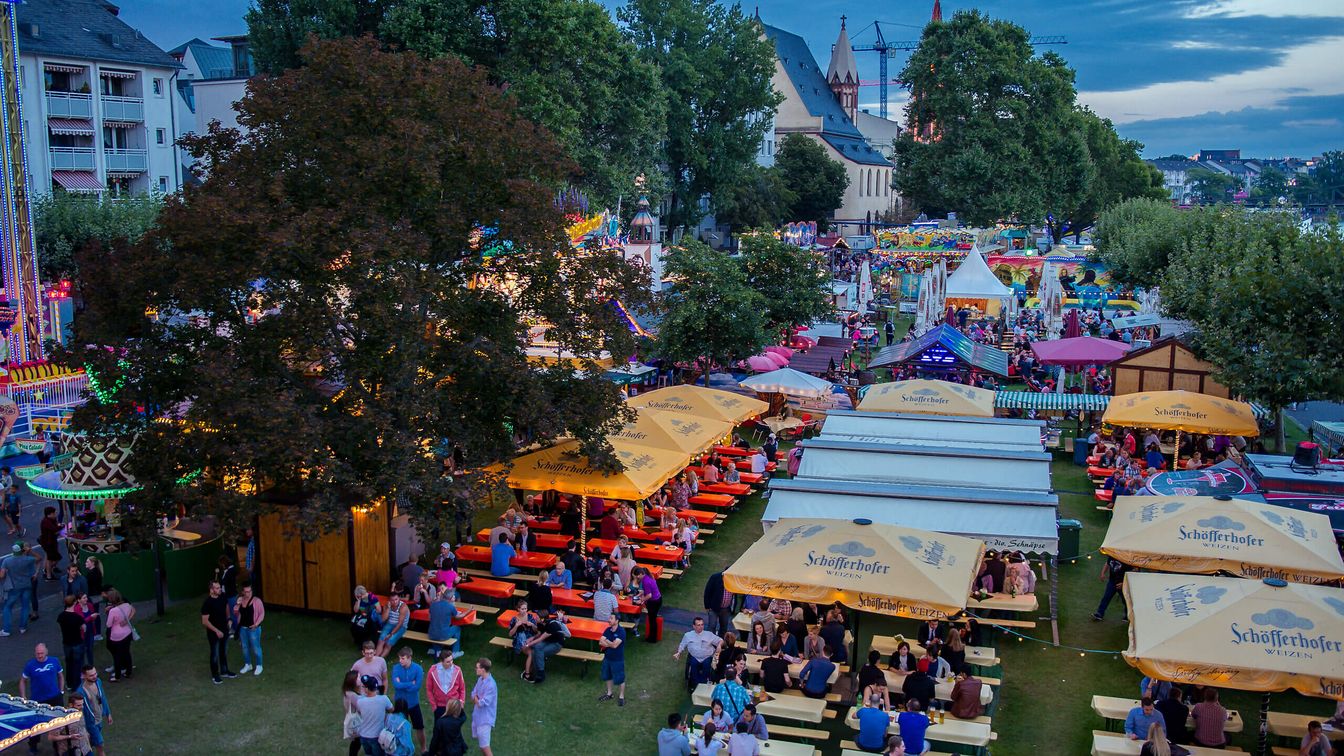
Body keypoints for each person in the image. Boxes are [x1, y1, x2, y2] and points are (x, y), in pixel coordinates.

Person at [20, 643, 64, 751]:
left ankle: (57, 745)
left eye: (42, 653)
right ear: (35, 653)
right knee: (37, 725)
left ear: (46, 652)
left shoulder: (54, 661)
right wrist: (23, 697)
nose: (39, 655)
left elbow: (60, 676)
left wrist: (61, 691)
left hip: (55, 697)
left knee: (58, 722)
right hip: (38, 699)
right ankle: (33, 745)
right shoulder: (30, 665)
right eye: (38, 653)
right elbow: (22, 681)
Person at [390, 648, 426, 754]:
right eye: (399, 658)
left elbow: (417, 687)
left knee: (419, 727)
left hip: (413, 703)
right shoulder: (396, 668)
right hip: (400, 704)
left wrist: (403, 685)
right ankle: (400, 748)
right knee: (399, 727)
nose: (400, 660)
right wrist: (411, 683)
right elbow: (396, 685)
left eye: (402, 658)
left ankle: (423, 747)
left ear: (409, 658)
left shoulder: (418, 669)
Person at [200, 579, 235, 684]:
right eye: (217, 588)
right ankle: (215, 675)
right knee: (214, 653)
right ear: (211, 590)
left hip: (224, 629)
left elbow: (227, 607)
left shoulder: (223, 596)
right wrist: (216, 631)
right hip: (213, 633)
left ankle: (224, 671)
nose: (220, 589)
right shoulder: (207, 603)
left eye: (220, 587)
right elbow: (204, 621)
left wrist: (229, 619)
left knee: (223, 651)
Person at [520, 609, 568, 684]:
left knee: (538, 652)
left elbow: (541, 639)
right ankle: (534, 671)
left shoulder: (552, 625)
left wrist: (527, 645)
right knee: (536, 648)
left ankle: (540, 674)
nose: (535, 618)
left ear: (542, 619)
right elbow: (539, 633)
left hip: (557, 643)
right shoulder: (540, 623)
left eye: (537, 617)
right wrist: (532, 638)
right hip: (547, 640)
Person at [0, 541, 37, 636]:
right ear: (22, 549)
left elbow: (2, 575)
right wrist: (31, 551)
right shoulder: (27, 559)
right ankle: (23, 627)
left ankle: (6, 630)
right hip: (27, 585)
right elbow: (39, 558)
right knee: (25, 606)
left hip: (14, 587)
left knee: (7, 607)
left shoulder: (7, 561)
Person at [674, 616, 721, 688]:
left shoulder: (709, 634)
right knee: (693, 664)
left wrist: (719, 645)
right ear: (694, 626)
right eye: (698, 625)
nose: (701, 627)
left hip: (707, 657)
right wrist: (679, 652)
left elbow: (720, 640)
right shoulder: (688, 635)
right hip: (695, 657)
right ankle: (695, 684)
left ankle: (703, 683)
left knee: (707, 665)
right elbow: (682, 645)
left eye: (702, 624)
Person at [354, 675, 394, 756]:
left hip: (363, 736)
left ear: (367, 689)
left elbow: (359, 713)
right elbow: (392, 710)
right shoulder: (384, 699)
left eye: (363, 686)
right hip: (377, 737)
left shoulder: (360, 701)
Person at [231, 582, 265, 676]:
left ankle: (259, 665)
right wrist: (237, 605)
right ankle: (248, 664)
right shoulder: (241, 601)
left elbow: (262, 613)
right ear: (243, 592)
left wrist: (256, 624)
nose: (248, 593)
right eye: (246, 592)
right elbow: (236, 613)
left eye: (250, 591)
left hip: (254, 628)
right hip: (243, 628)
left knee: (256, 647)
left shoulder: (257, 601)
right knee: (245, 647)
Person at [77, 665, 111, 756]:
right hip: (91, 724)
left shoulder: (98, 682)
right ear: (84, 676)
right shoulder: (81, 692)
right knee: (100, 745)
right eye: (91, 675)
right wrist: (85, 729)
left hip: (99, 720)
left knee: (91, 744)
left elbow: (103, 697)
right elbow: (81, 712)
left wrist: (108, 713)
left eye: (95, 673)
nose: (94, 676)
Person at [425, 649, 466, 720]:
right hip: (439, 706)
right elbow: (429, 689)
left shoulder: (457, 670)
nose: (451, 663)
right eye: (448, 662)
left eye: (452, 660)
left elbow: (462, 688)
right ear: (441, 662)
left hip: (454, 706)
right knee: (439, 729)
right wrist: (434, 706)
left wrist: (461, 703)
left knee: (453, 729)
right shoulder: (432, 670)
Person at [467, 657, 496, 755]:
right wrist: (477, 698)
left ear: (483, 670)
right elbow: (472, 694)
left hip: (485, 720)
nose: (476, 669)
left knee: (485, 747)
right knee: (482, 746)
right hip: (478, 716)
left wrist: (476, 698)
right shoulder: (480, 679)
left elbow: (481, 703)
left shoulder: (491, 685)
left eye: (477, 667)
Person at [104, 588, 134, 681]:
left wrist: (108, 612)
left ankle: (117, 676)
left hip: (117, 636)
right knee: (126, 652)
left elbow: (108, 624)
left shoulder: (113, 611)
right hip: (127, 632)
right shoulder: (127, 605)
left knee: (117, 656)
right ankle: (128, 672)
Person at [598, 612, 627, 705]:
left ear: (617, 620)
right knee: (607, 676)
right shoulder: (608, 630)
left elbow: (615, 646)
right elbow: (600, 642)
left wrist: (606, 641)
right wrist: (610, 643)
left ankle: (621, 697)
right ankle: (609, 693)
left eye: (611, 618)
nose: (609, 620)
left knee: (620, 679)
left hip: (617, 659)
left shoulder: (621, 631)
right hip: (607, 657)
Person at [428, 588, 466, 656]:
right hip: (443, 635)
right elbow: (458, 617)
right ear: (451, 598)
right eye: (453, 596)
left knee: (435, 627)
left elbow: (429, 618)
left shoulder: (433, 604)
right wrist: (468, 611)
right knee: (457, 628)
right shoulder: (450, 607)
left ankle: (437, 650)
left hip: (431, 634)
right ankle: (455, 652)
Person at [1093, 554, 1130, 621]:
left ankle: (1128, 616)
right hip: (1112, 581)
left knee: (1126, 600)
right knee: (1106, 597)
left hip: (1122, 583)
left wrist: (1124, 583)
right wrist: (1102, 573)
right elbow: (1107, 563)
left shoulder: (1125, 558)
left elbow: (1130, 572)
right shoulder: (1112, 555)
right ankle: (1099, 613)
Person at [376, 593, 410, 657]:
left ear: (399, 599)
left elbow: (400, 623)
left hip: (401, 626)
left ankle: (380, 659)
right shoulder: (387, 605)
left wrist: (391, 634)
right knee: (381, 640)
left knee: (389, 642)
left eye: (396, 599)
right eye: (392, 600)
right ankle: (375, 658)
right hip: (390, 623)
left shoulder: (403, 607)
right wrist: (388, 608)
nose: (394, 602)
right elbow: (383, 619)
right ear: (389, 600)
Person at [215, 555, 239, 637]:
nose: (221, 566)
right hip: (227, 595)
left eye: (221, 564)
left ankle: (237, 631)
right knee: (228, 613)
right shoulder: (228, 571)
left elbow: (225, 582)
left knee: (233, 613)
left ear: (224, 563)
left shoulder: (230, 571)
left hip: (231, 595)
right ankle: (232, 629)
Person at [637, 567, 663, 642]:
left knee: (652, 620)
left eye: (638, 575)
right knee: (652, 619)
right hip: (658, 599)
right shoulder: (649, 577)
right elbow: (647, 592)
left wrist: (641, 600)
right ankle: (652, 637)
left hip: (654, 602)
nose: (637, 577)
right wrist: (640, 595)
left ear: (642, 574)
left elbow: (649, 595)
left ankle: (652, 638)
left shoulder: (645, 581)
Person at [38, 507, 61, 580]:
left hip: (51, 542)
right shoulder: (46, 521)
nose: (55, 514)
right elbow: (55, 529)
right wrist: (61, 526)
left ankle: (48, 570)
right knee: (52, 558)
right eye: (54, 513)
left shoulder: (51, 520)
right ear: (49, 514)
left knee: (49, 556)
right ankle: (48, 574)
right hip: (48, 543)